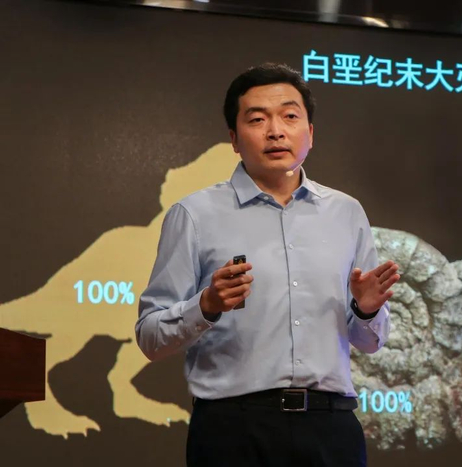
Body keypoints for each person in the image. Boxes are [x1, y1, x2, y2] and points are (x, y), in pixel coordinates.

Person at [136, 63, 400, 467]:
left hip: (331, 428)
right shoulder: (195, 214)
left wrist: (365, 310)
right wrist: (206, 305)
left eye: (290, 117)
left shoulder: (346, 212)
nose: (275, 131)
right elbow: (151, 337)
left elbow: (370, 342)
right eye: (257, 119)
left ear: (310, 132)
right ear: (234, 138)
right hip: (233, 430)